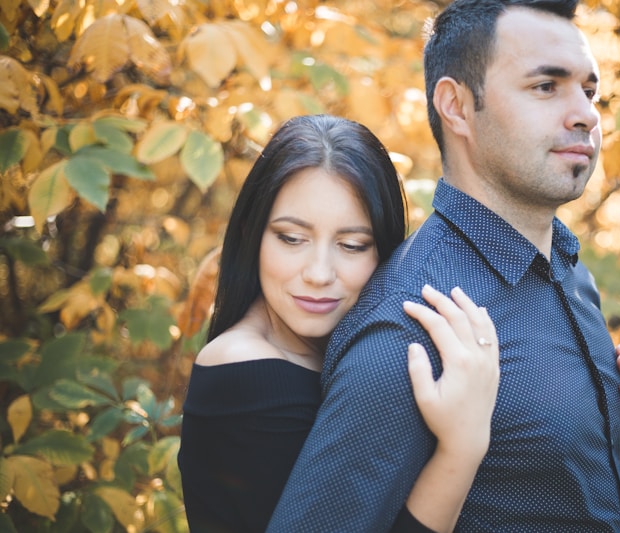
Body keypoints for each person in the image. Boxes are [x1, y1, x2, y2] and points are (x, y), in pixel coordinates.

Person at [267, 0, 620, 531]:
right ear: (457, 106)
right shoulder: (414, 329)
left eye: (588, 89)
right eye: (545, 86)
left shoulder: (568, 270)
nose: (585, 114)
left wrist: (596, 428)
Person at [177, 114, 502, 533]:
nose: (318, 273)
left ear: (384, 252)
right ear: (251, 233)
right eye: (291, 239)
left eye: (351, 245)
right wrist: (461, 449)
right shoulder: (244, 367)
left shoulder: (348, 349)